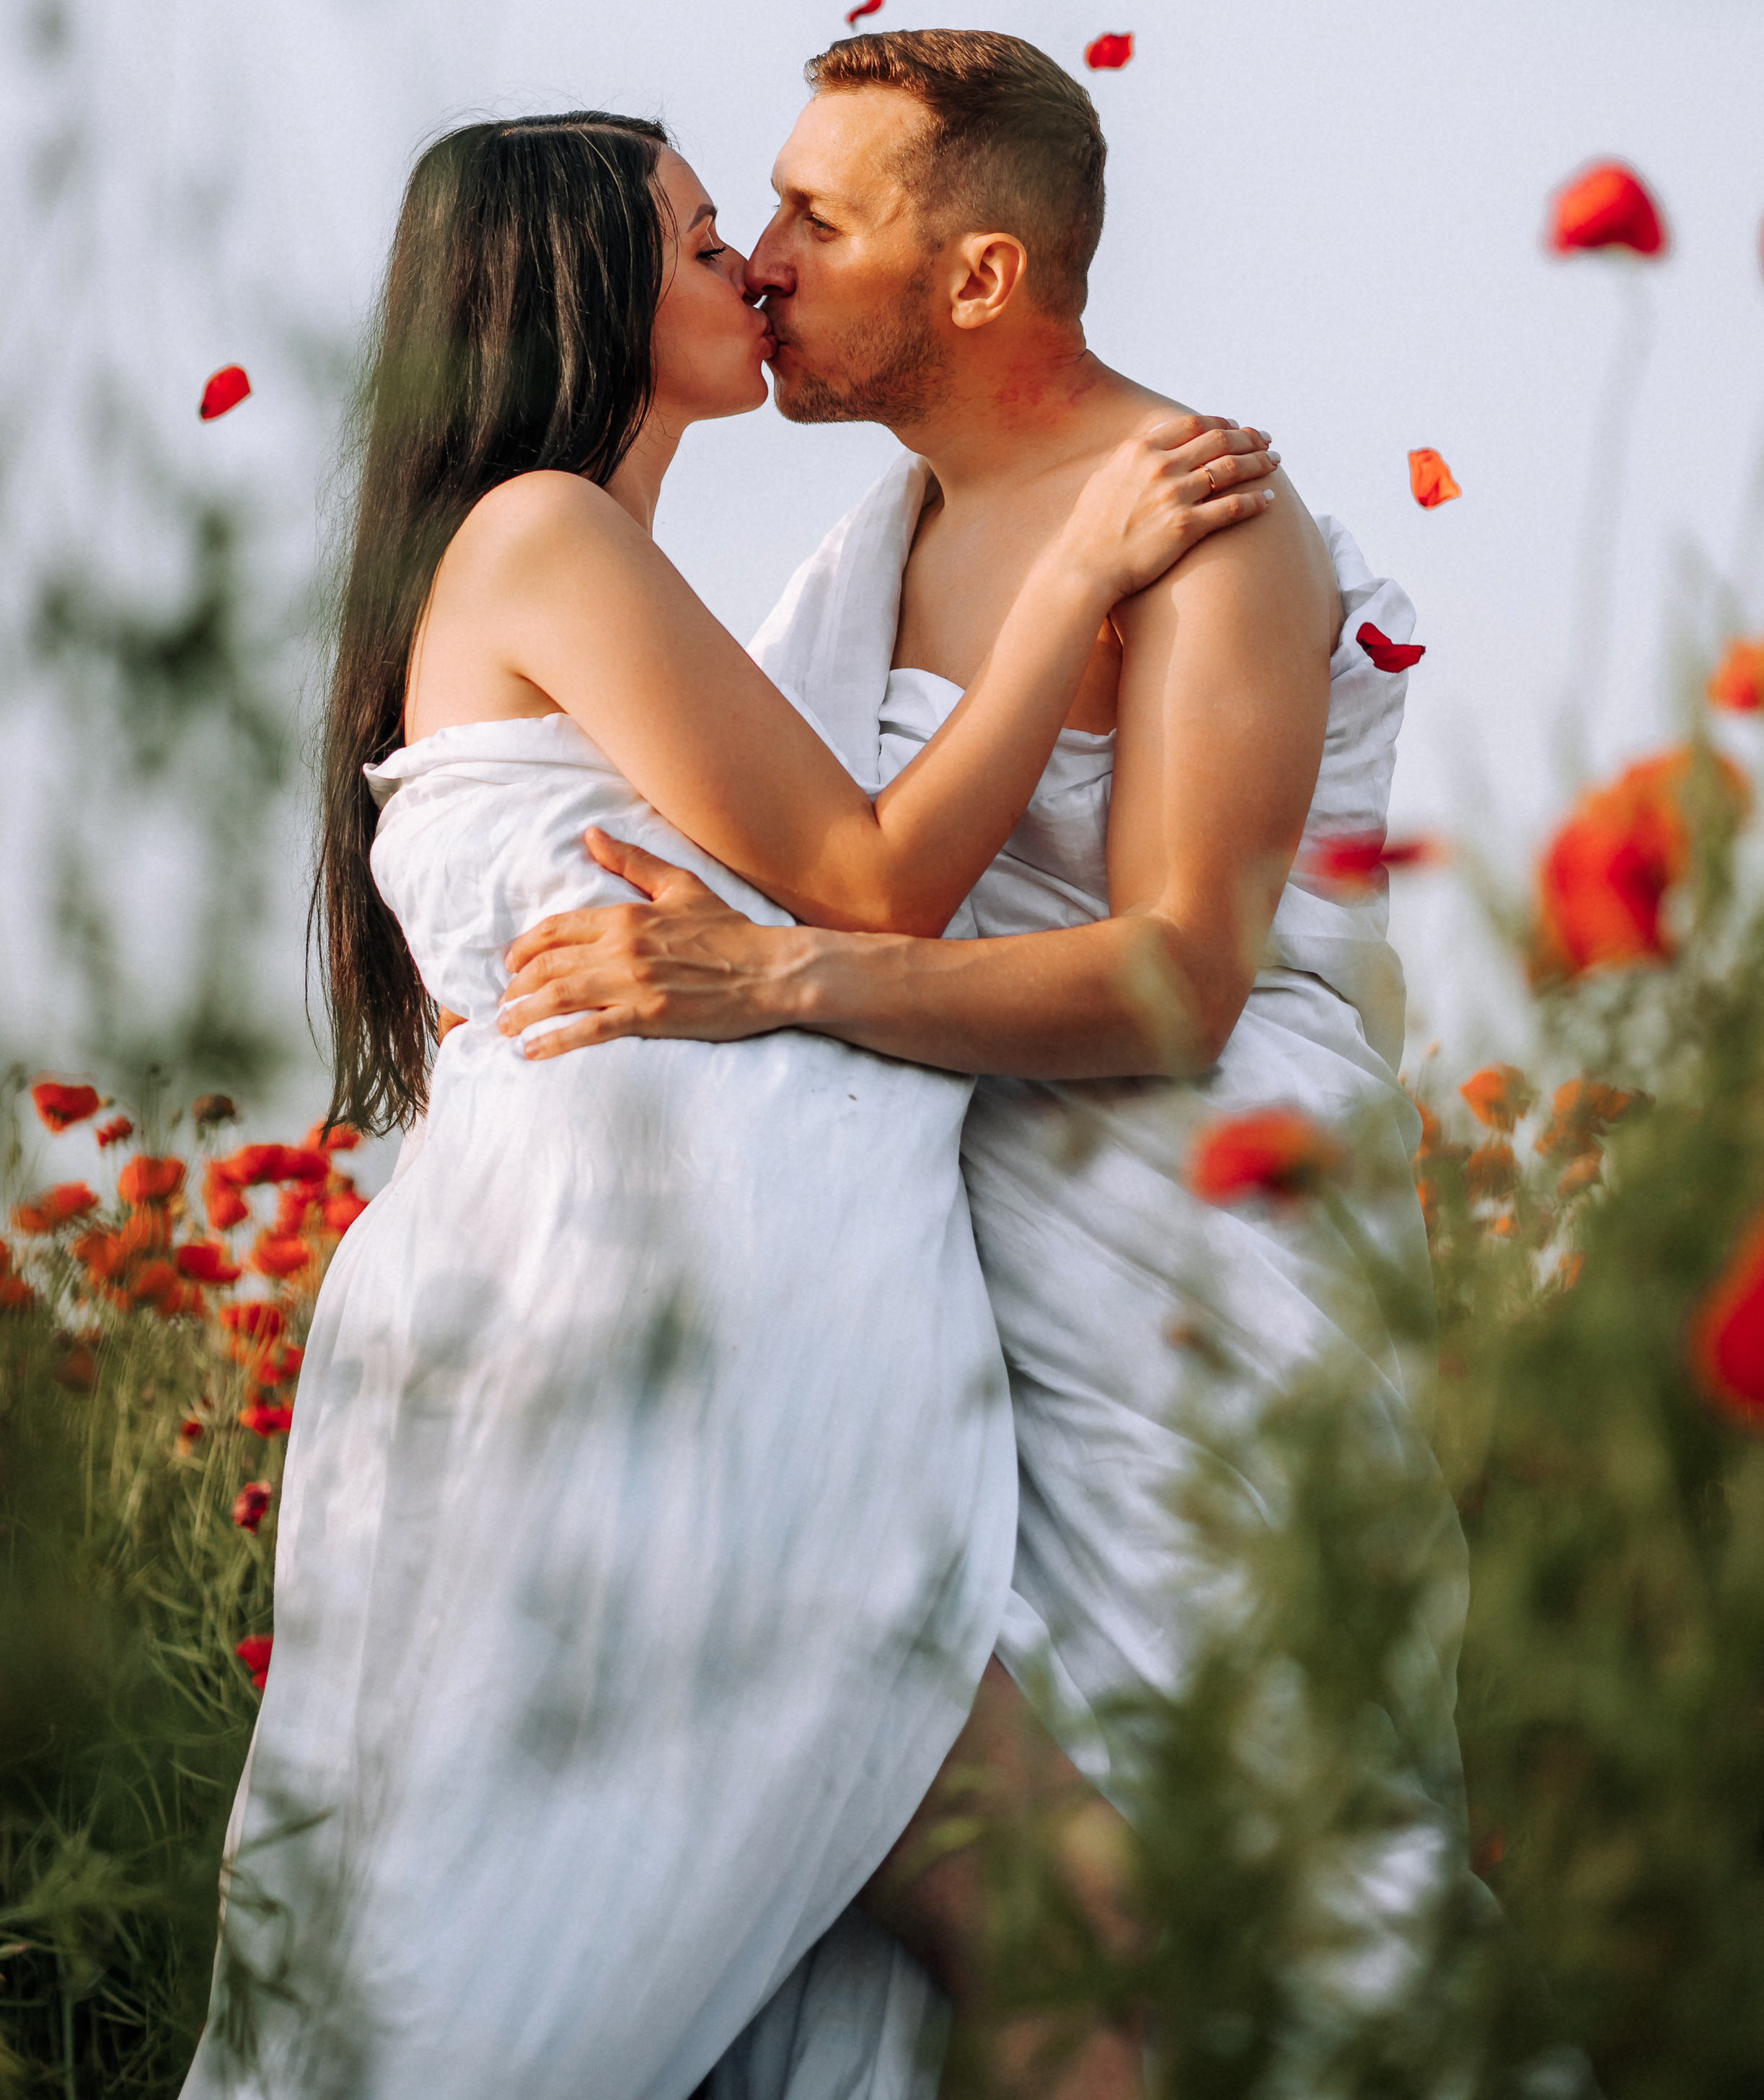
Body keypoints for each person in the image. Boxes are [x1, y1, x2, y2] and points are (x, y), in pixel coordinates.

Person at [179, 110, 1272, 2100]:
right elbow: (872, 883)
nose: (752, 268)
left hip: (718, 1382)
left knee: (1032, 1957)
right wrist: (1079, 579)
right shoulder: (547, 531)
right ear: (589, 289)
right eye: (702, 242)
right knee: (1073, 1950)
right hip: (665, 1396)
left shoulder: (593, 562)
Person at [495, 35, 1472, 2098]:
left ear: (980, 280)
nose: (758, 265)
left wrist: (773, 985)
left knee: (1267, 1863)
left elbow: (1175, 986)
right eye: (754, 213)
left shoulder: (1204, 516)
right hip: (939, 1321)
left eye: (814, 220)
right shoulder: (868, 548)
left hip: (1194, 1284)